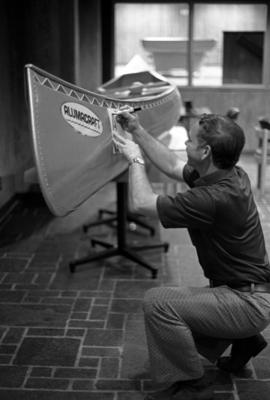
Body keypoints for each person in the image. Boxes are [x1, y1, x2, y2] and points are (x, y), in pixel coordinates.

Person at [113, 111, 270, 400]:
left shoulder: (212, 198)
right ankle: (245, 342)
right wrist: (136, 130)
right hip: (248, 290)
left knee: (158, 303)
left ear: (206, 151)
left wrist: (135, 159)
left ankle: (190, 383)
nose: (185, 142)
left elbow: (141, 203)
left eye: (190, 139)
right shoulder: (230, 174)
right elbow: (173, 165)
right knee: (189, 309)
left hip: (248, 303)